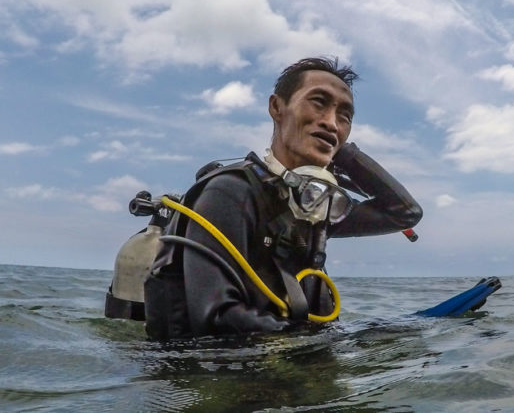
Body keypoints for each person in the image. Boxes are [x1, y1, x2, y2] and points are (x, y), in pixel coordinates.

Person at [143, 57, 422, 340]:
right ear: (277, 107)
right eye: (318, 102)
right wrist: (328, 341)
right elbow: (215, 319)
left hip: (285, 359)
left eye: (344, 117)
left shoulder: (314, 204)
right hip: (215, 373)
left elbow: (404, 213)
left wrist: (345, 154)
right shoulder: (228, 193)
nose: (331, 122)